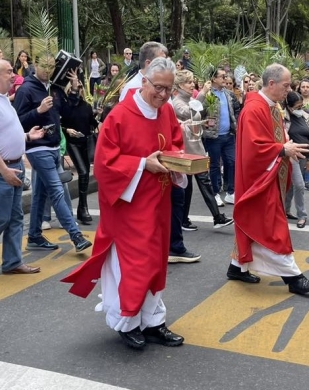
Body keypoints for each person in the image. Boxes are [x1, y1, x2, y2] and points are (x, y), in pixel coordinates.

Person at [62, 57, 185, 349]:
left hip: (159, 201)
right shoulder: (120, 115)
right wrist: (143, 164)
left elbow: (175, 143)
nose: (163, 95)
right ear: (144, 81)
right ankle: (126, 321)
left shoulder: (166, 111)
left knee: (156, 261)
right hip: (129, 206)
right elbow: (104, 165)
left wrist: (180, 161)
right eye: (158, 87)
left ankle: (153, 320)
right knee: (133, 264)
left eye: (169, 89)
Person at [227, 63, 309, 296]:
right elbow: (253, 147)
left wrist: (286, 147)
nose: (289, 90)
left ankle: (237, 266)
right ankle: (294, 278)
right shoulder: (255, 109)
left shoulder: (271, 106)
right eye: (286, 86)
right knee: (272, 228)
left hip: (269, 174)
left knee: (255, 224)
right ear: (271, 84)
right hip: (259, 179)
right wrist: (282, 150)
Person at [13, 53, 92, 253]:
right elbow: (17, 122)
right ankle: (76, 235)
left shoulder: (54, 89)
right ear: (35, 65)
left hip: (54, 147)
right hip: (38, 148)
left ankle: (34, 236)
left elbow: (68, 113)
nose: (48, 71)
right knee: (57, 191)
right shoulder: (26, 89)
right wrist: (38, 111)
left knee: (40, 193)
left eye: (52, 67)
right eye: (44, 66)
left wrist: (74, 90)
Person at [172, 69, 233, 230]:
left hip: (195, 149)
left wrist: (203, 123)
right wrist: (203, 93)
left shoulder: (190, 98)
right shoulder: (177, 102)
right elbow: (189, 113)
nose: (192, 85)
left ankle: (196, 219)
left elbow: (193, 119)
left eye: (193, 81)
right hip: (187, 151)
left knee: (197, 185)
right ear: (179, 85)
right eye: (188, 82)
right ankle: (212, 218)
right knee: (192, 186)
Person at [0, 59, 44, 275]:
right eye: (8, 72)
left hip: (15, 166)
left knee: (15, 218)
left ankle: (12, 262)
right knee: (3, 218)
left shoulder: (5, 101)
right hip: (4, 170)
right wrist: (4, 171)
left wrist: (28, 136)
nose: (13, 75)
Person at [61, 81, 99, 224]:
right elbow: (59, 123)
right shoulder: (66, 106)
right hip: (72, 143)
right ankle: (83, 208)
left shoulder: (86, 106)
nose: (78, 90)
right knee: (83, 172)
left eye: (80, 87)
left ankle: (82, 207)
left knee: (86, 175)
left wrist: (97, 117)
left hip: (84, 142)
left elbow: (91, 123)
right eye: (74, 88)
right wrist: (66, 130)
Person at [199, 66, 237, 206]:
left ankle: (231, 193)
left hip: (228, 135)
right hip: (213, 136)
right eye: (222, 76)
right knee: (214, 165)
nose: (225, 79)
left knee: (232, 162)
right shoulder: (208, 94)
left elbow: (233, 110)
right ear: (214, 78)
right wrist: (204, 124)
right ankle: (215, 193)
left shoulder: (227, 93)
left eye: (225, 76)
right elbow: (199, 112)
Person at [283, 91, 309, 228]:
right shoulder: (283, 118)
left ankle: (286, 210)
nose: (299, 110)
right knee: (300, 185)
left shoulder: (306, 116)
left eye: (301, 106)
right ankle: (302, 215)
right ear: (289, 107)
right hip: (292, 156)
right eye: (297, 107)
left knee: (292, 185)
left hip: (305, 156)